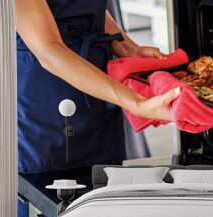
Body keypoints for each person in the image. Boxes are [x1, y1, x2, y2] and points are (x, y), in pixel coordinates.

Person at [15, 0, 179, 173]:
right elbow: (49, 49)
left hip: (99, 90)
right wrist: (136, 103)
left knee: (104, 179)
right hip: (47, 97)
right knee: (52, 187)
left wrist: (128, 47)